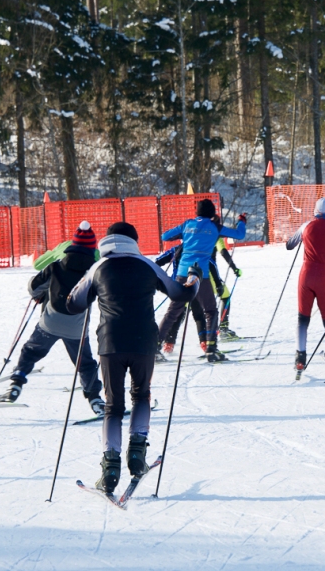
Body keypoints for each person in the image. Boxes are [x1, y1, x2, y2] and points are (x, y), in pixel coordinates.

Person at [67, 222, 199, 498]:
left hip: (111, 343)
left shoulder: (99, 267)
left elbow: (73, 304)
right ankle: (137, 452)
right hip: (143, 342)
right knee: (141, 395)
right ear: (134, 241)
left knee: (113, 406)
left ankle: (110, 468)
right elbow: (181, 293)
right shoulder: (146, 265)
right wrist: (194, 280)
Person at [0, 222, 105, 414]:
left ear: (73, 244)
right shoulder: (95, 271)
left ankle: (16, 383)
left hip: (50, 322)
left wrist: (45, 292)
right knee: (85, 363)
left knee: (30, 351)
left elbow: (33, 287)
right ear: (92, 248)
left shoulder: (56, 266)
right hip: (76, 327)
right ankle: (95, 399)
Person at [156, 199, 246, 362]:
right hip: (200, 274)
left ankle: (155, 348)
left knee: (173, 312)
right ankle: (211, 349)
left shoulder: (187, 224)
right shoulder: (215, 227)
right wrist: (241, 221)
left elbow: (165, 236)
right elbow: (239, 234)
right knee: (210, 311)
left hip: (182, 274)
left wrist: (183, 234)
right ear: (212, 213)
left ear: (197, 212)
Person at [286, 197, 325, 377]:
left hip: (305, 275)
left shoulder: (306, 226)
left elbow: (289, 245)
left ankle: (300, 359)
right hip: (323, 276)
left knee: (303, 318)